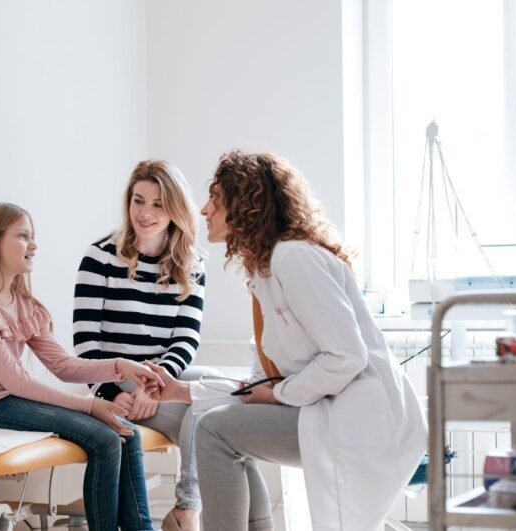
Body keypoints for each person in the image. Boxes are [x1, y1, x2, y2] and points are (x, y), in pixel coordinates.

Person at [145, 151, 427, 531]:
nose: (203, 209)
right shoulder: (265, 272)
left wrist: (277, 395)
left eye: (215, 197)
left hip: (364, 419)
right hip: (331, 412)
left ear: (243, 204)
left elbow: (346, 356)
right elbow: (259, 387)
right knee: (219, 427)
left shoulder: (293, 259)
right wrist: (181, 391)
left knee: (214, 431)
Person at [0, 202, 162, 531]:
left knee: (128, 433)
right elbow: (16, 381)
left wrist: (121, 366)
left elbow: (63, 366)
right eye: (23, 236)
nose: (34, 245)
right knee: (106, 439)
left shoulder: (22, 303)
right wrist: (91, 405)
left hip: (6, 400)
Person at [73, 160, 215, 531]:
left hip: (163, 380)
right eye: (139, 201)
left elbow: (187, 339)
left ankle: (186, 508)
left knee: (214, 397)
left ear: (175, 210)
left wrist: (160, 382)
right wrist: (106, 392)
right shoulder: (99, 258)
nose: (145, 213)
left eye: (158, 204)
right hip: (116, 378)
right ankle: (186, 517)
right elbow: (86, 343)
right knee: (210, 417)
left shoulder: (193, 264)